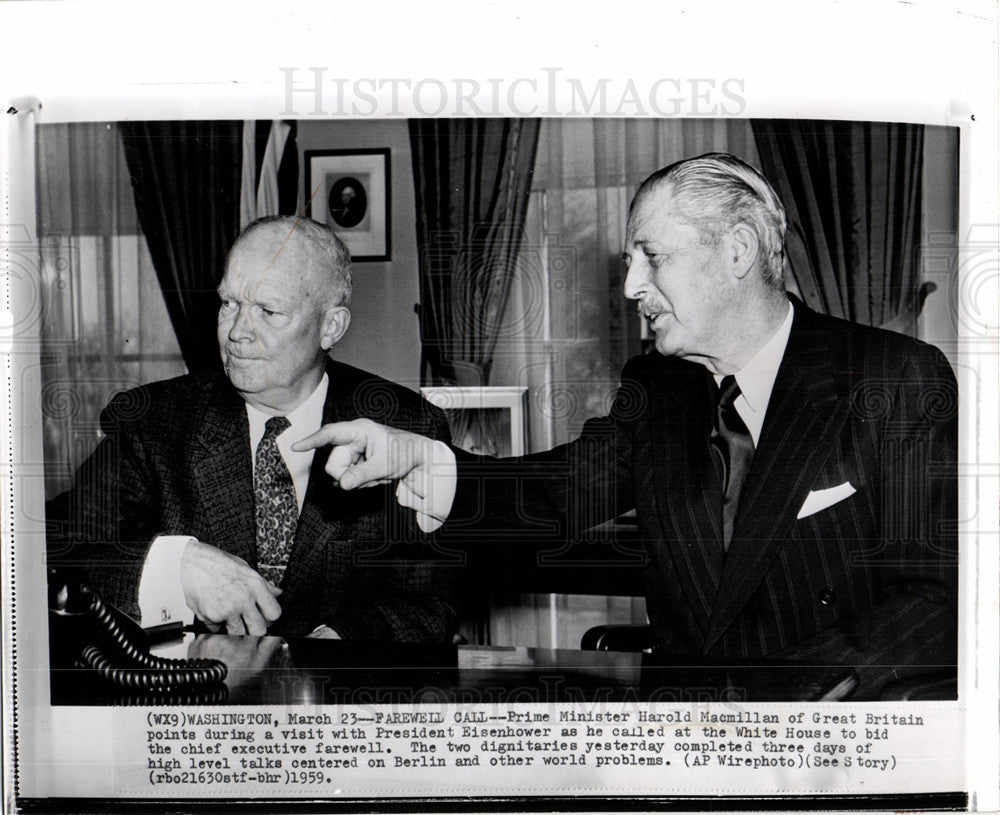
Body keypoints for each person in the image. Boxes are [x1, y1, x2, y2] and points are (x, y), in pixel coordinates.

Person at [294, 154, 958, 698]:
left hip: (834, 739)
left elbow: (934, 597)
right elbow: (556, 493)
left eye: (650, 256)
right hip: (685, 743)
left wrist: (787, 695)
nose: (630, 287)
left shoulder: (893, 378)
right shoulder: (657, 387)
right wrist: (425, 464)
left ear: (738, 250)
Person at [47, 216, 456, 642]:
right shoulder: (153, 422)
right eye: (230, 303)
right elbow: (50, 542)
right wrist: (172, 566)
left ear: (330, 327)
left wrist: (334, 646)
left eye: (268, 310)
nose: (238, 332)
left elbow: (432, 601)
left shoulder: (407, 428)